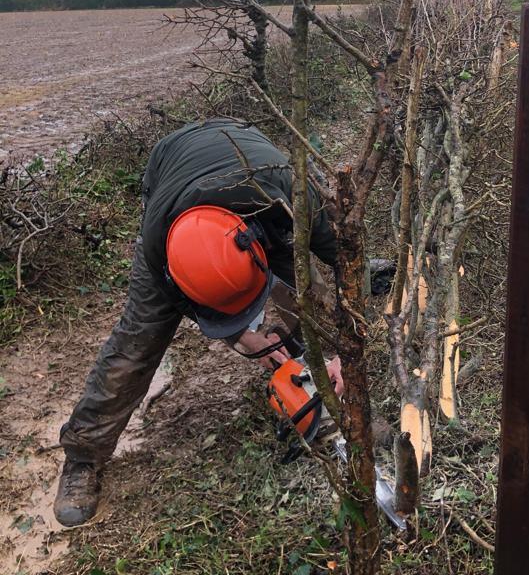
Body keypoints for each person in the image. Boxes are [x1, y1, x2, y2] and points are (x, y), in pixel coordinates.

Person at [54, 118, 342, 527]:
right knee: (137, 342)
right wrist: (242, 337)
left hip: (256, 184)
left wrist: (340, 353)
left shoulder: (294, 201)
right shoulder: (161, 250)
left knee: (311, 296)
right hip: (173, 178)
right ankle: (83, 455)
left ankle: (326, 393)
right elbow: (190, 303)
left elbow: (347, 258)